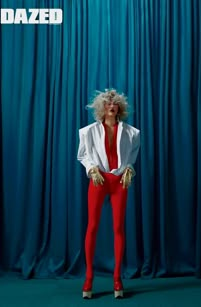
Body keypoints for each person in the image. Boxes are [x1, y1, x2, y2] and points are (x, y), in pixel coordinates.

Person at [77, 89, 140, 299]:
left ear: (120, 107)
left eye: (114, 104)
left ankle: (117, 277)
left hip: (119, 181)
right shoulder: (88, 131)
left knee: (118, 228)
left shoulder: (132, 132)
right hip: (99, 179)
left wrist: (130, 168)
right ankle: (88, 277)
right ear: (101, 108)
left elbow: (132, 155)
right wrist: (92, 168)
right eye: (107, 103)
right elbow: (83, 155)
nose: (111, 106)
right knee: (93, 225)